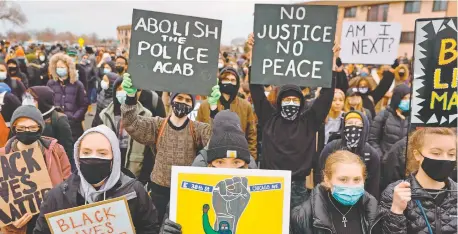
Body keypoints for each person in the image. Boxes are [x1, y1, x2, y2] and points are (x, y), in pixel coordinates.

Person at [247, 33, 338, 208]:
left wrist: (332, 61)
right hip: (269, 183)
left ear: (301, 103)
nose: (290, 103)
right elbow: (256, 89)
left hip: (298, 186)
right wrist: (253, 53)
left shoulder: (309, 121)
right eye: (286, 100)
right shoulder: (269, 118)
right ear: (279, 102)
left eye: (295, 100)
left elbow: (326, 96)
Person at [33, 125, 160, 234]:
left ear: (114, 158)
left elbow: (150, 228)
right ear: (77, 157)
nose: (93, 158)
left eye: (102, 153)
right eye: (86, 153)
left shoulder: (134, 192)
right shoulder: (56, 196)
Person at [120, 73, 212, 222]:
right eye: (180, 98)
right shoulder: (157, 124)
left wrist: (213, 109)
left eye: (188, 100)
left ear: (192, 105)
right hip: (157, 191)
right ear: (172, 99)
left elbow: (215, 139)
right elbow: (131, 124)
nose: (183, 102)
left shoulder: (196, 129)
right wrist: (131, 98)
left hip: (185, 191)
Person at [160, 110, 254, 234]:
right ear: (210, 163)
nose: (228, 169)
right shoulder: (192, 179)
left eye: (236, 162)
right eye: (220, 162)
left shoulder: (253, 182)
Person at [0, 105, 71, 234]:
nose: (27, 131)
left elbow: (69, 183)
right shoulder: (2, 156)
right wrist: (9, 220)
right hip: (19, 226)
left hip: (51, 222)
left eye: (32, 127)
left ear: (40, 127)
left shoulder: (56, 150)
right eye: (21, 128)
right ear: (14, 128)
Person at [379, 127, 457, 234]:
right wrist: (396, 212)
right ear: (417, 155)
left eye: (451, 154)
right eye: (436, 153)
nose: (445, 158)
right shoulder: (395, 192)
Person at [291, 150, 381, 234]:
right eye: (343, 179)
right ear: (327, 180)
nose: (351, 185)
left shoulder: (372, 210)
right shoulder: (303, 216)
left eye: (357, 179)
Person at [97, 77, 155, 184]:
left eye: (125, 89)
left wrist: (143, 179)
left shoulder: (146, 115)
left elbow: (149, 151)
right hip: (109, 169)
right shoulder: (104, 115)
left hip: (134, 170)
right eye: (119, 89)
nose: (122, 92)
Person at [317, 111, 381, 198]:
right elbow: (321, 174)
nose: (353, 127)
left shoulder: (371, 154)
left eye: (358, 124)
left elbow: (373, 186)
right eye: (349, 123)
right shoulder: (332, 147)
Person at [197, 67, 257, 158]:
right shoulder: (205, 105)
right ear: (220, 82)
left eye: (233, 80)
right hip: (211, 156)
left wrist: (251, 158)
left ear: (237, 83)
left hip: (237, 157)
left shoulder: (246, 106)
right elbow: (198, 133)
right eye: (226, 79)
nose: (229, 82)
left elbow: (251, 135)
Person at [22, 86, 75, 171]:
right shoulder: (24, 118)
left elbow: (67, 150)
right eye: (26, 97)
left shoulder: (59, 120)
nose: (27, 102)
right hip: (31, 167)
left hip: (52, 168)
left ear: (43, 102)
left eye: (32, 99)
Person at [47, 53, 88, 142]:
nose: (59, 69)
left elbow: (83, 104)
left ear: (69, 68)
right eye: (57, 67)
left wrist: (75, 117)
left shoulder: (77, 84)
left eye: (62, 67)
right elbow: (48, 102)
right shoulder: (51, 83)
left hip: (73, 126)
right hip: (55, 124)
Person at [368, 84, 410, 157]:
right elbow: (372, 140)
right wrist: (382, 157)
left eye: (410, 98)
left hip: (405, 162)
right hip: (386, 161)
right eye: (404, 98)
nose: (407, 101)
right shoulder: (384, 115)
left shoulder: (412, 117)